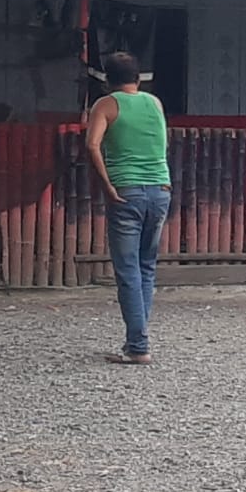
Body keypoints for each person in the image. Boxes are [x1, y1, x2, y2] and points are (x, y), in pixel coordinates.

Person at [85, 52, 171, 364]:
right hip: (160, 189)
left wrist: (107, 185)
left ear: (107, 80)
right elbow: (162, 144)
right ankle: (138, 339)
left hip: (126, 191)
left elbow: (92, 144)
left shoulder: (105, 105)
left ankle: (138, 346)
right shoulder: (155, 103)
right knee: (146, 266)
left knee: (128, 269)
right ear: (138, 78)